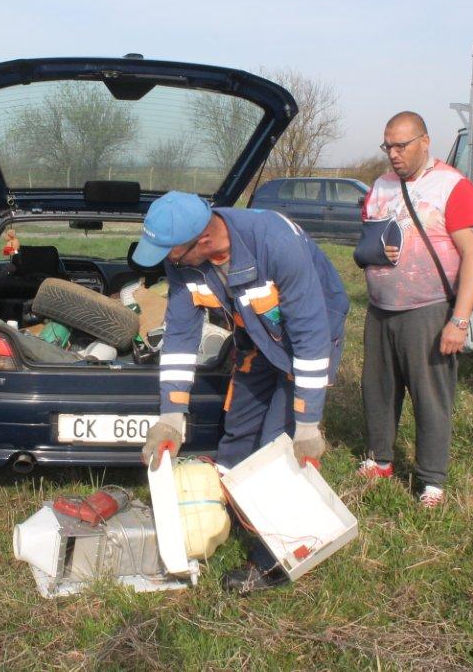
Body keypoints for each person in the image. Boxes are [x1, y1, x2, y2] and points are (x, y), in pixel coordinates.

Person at [131, 190, 349, 593]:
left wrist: (307, 423)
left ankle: (273, 562)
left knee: (276, 452)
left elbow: (311, 335)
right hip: (258, 339)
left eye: (172, 254)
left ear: (204, 241)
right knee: (237, 434)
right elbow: (180, 336)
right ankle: (225, 521)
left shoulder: (274, 243)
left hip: (310, 338)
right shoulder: (184, 262)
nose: (168, 262)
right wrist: (170, 417)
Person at [357, 111, 473, 508]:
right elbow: (364, 241)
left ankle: (431, 480)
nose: (393, 154)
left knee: (430, 397)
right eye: (388, 146)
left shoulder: (453, 186)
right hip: (380, 308)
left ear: (425, 142)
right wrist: (372, 252)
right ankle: (380, 459)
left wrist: (458, 320)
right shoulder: (380, 186)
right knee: (377, 391)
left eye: (401, 145)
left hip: (428, 310)